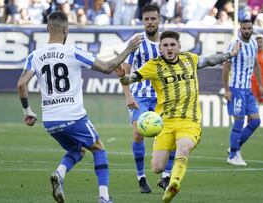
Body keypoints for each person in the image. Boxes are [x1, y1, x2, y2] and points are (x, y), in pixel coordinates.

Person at [16, 11, 141, 203]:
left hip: (50, 121)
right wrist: (128, 50)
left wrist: (27, 111)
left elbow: (21, 84)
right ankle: (104, 197)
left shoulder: (35, 55)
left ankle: (59, 173)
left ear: (48, 28)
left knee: (79, 150)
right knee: (99, 149)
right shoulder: (73, 51)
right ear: (66, 30)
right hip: (73, 116)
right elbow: (107, 67)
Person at [118, 30, 240, 203]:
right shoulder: (153, 65)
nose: (169, 48)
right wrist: (123, 77)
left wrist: (230, 54)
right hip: (165, 122)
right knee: (157, 167)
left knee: (183, 148)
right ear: (160, 48)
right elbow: (130, 79)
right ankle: (167, 176)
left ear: (179, 46)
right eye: (165, 45)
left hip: (189, 121)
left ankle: (173, 183)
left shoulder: (190, 59)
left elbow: (211, 60)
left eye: (172, 45)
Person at [120, 4, 175, 193]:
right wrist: (128, 96)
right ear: (142, 21)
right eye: (146, 19)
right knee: (138, 134)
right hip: (140, 96)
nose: (150, 22)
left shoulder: (167, 43)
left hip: (162, 97)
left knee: (172, 135)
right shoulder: (136, 42)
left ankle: (166, 176)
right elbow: (125, 72)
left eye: (153, 18)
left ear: (159, 19)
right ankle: (141, 177)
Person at [222, 19, 263, 166]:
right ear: (240, 29)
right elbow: (226, 67)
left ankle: (234, 148)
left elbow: (256, 65)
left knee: (255, 121)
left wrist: (260, 85)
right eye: (244, 28)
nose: (247, 31)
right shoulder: (235, 44)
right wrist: (227, 89)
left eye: (249, 28)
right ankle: (232, 156)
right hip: (236, 88)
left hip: (247, 89)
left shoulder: (253, 43)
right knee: (239, 121)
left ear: (252, 29)